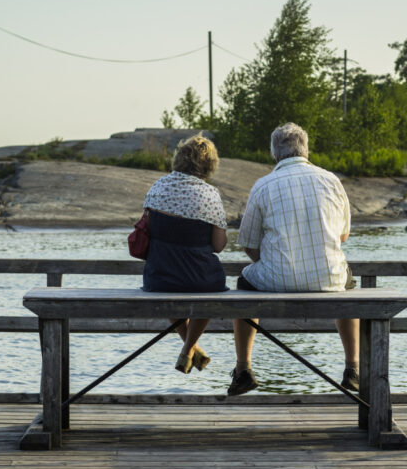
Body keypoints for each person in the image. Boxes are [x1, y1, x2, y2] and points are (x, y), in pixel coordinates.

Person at [228, 122, 357, 396]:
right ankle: (352, 367)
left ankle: (243, 369)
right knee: (348, 285)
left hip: (276, 281)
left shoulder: (262, 186)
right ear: (306, 150)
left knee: (244, 283)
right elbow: (343, 236)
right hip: (328, 279)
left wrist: (274, 262)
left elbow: (249, 246)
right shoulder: (331, 181)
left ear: (274, 154)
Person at [140, 134, 228, 373]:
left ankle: (190, 349)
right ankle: (189, 349)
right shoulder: (210, 194)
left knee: (167, 294)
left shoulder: (157, 187)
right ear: (209, 164)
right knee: (209, 294)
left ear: (179, 158)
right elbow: (219, 246)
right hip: (202, 278)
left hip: (159, 276)